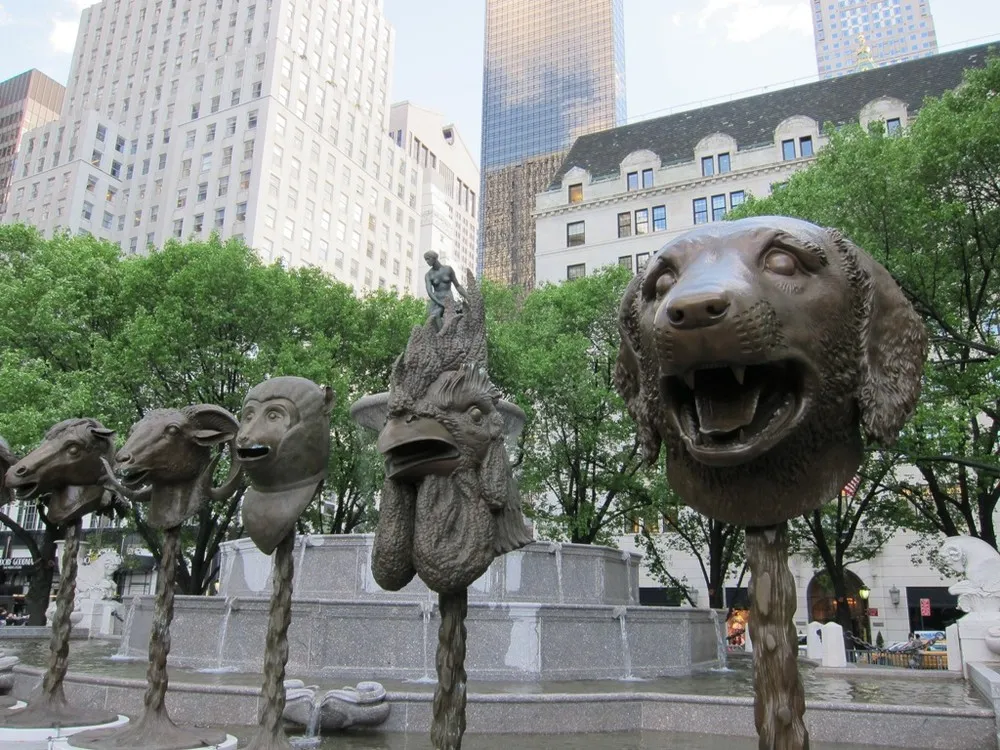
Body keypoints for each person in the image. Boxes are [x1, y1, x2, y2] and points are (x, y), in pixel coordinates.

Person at [423, 250, 466, 328]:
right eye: (425, 259)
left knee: (444, 316)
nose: (426, 261)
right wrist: (440, 303)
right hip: (436, 300)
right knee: (432, 318)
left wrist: (468, 297)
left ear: (434, 258)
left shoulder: (448, 269)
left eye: (428, 259)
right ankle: (441, 337)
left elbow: (457, 286)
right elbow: (430, 292)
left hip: (447, 297)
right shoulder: (428, 275)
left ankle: (443, 336)